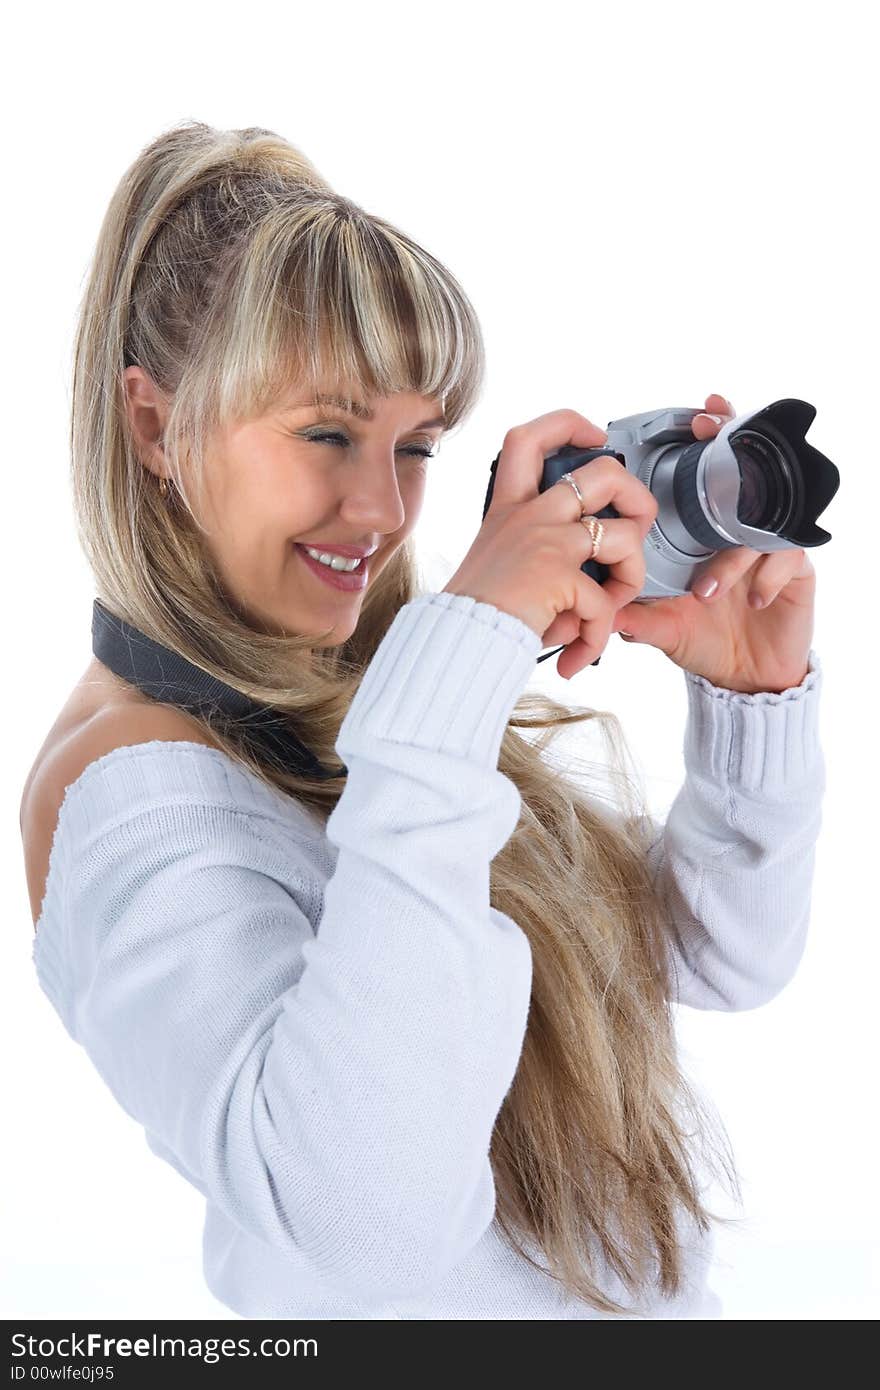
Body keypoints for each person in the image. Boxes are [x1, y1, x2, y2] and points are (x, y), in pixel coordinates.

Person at [22, 119, 825, 1321]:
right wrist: (457, 666)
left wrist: (749, 699)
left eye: (417, 445)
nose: (381, 508)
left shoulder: (358, 689)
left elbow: (721, 958)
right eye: (325, 433)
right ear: (154, 427)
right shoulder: (133, 788)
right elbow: (368, 1221)